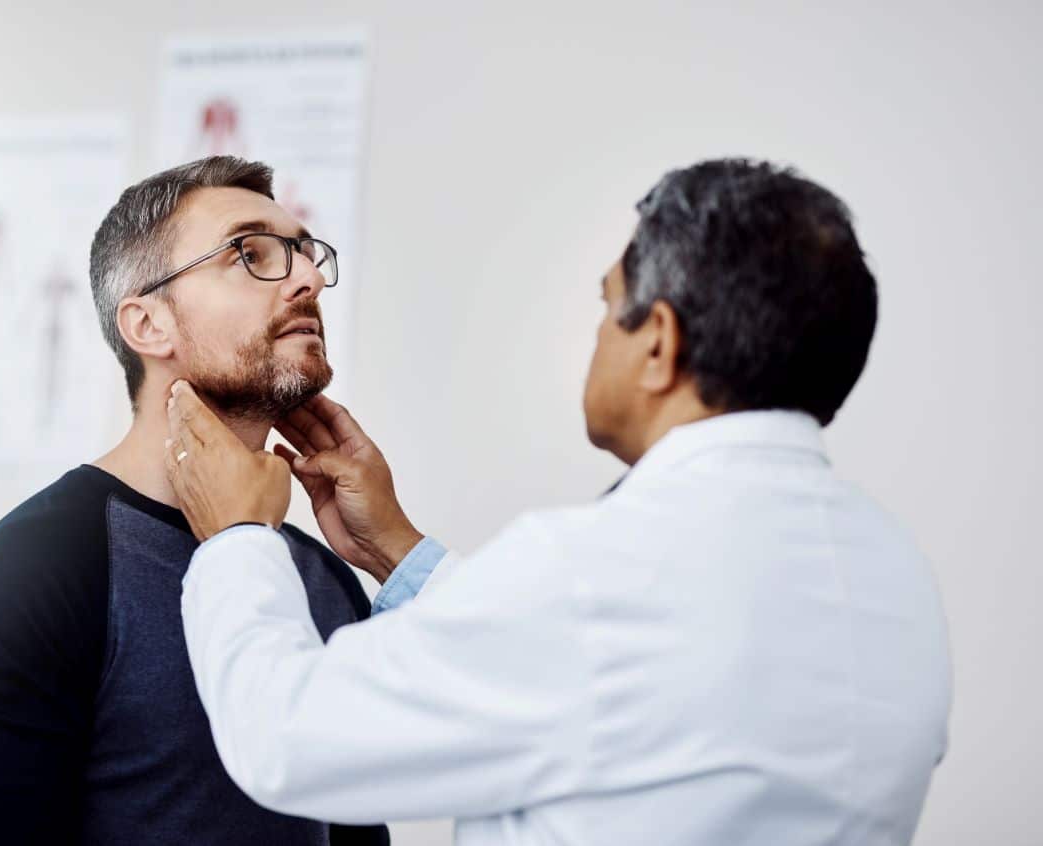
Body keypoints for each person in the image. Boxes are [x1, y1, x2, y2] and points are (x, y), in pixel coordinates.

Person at [166, 159, 952, 846]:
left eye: (609, 308)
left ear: (658, 345)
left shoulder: (596, 575)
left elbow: (288, 739)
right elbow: (615, 688)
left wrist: (237, 536)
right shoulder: (895, 573)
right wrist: (397, 553)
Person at [0, 156, 389, 846]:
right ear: (147, 325)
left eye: (305, 254)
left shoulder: (325, 578)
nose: (309, 278)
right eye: (249, 254)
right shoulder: (33, 571)